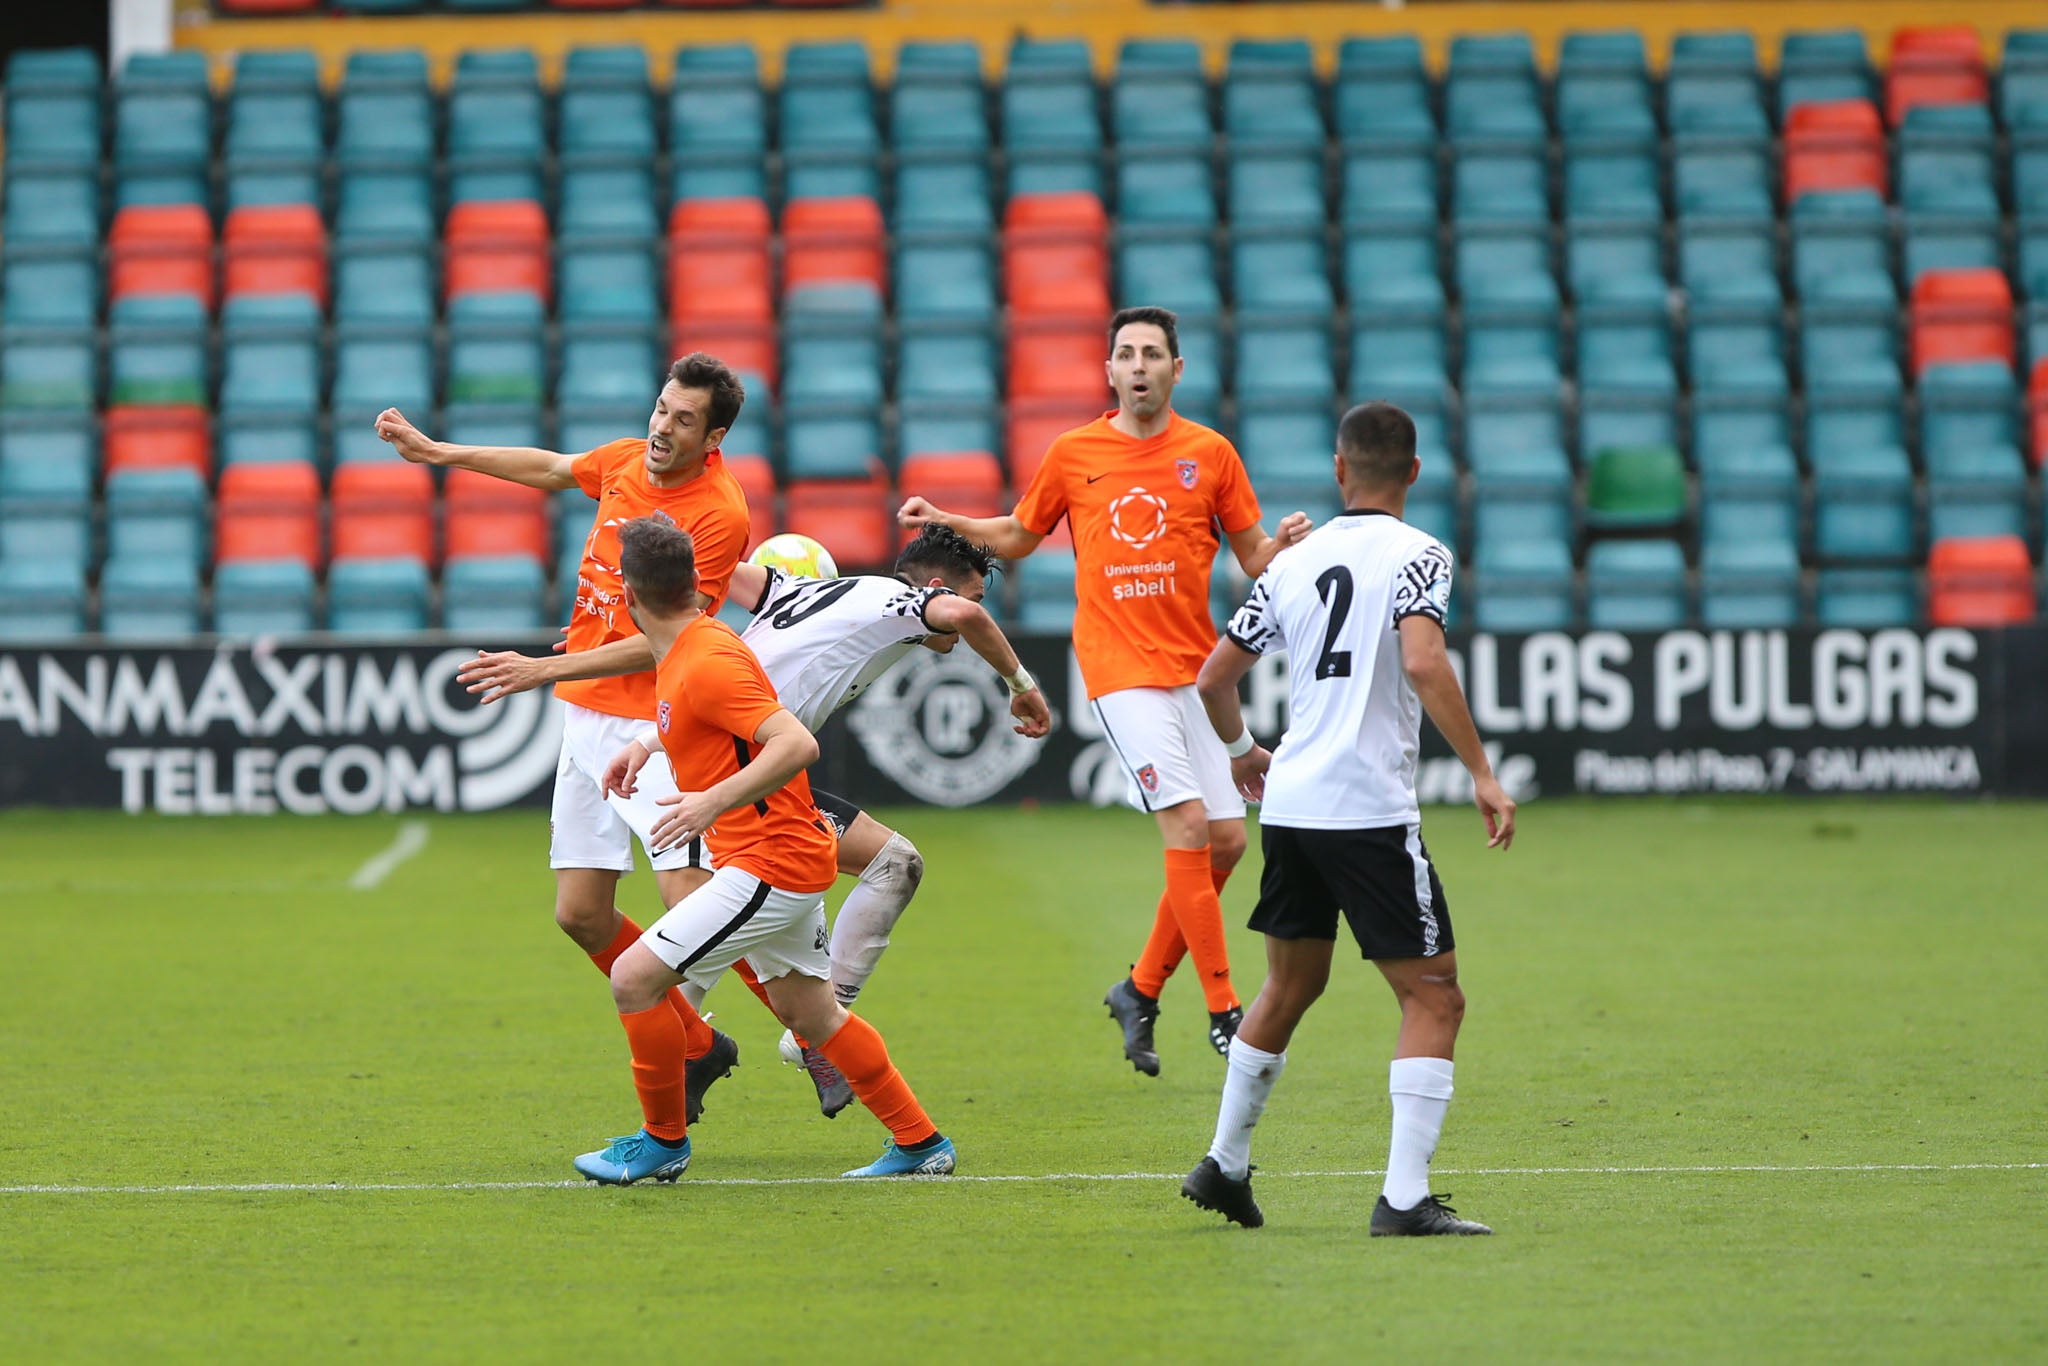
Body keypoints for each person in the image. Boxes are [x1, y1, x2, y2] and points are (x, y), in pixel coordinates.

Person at [455, 524, 1054, 1115]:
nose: (978, 612)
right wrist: (1020, 686)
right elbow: (967, 620)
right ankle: (717, 1059)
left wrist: (611, 639)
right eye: (973, 594)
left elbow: (705, 584)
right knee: (691, 926)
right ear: (937, 586)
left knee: (814, 896)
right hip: (742, 777)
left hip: (712, 751)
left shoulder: (797, 591)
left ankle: (778, 1050)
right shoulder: (907, 604)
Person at [899, 305, 1310, 1075]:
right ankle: (1225, 1008)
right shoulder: (1075, 452)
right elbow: (1021, 535)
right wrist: (947, 515)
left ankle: (1140, 988)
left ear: (1176, 370)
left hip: (1196, 669)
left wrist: (1282, 548)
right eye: (1128, 353)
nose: (1141, 365)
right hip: (1119, 667)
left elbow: (1253, 555)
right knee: (1188, 829)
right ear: (1111, 370)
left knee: (1226, 842)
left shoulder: (1210, 454)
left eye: (1155, 353)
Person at [373, 353, 752, 1122]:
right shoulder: (621, 462)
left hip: (655, 724)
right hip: (586, 717)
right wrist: (441, 453)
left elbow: (670, 641)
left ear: (712, 437)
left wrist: (548, 667)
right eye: (660, 408)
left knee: (693, 895)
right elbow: (550, 467)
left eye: (683, 420)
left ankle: (813, 1026)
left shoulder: (720, 513)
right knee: (580, 913)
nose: (662, 427)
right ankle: (699, 1046)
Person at [1177, 401, 1515, 1235]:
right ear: (1415, 472)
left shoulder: (1293, 561)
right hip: (1366, 811)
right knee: (1435, 996)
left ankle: (1224, 1163)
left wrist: (1246, 753)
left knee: (1290, 984)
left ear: (1338, 471)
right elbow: (1423, 658)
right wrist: (1481, 771)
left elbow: (1213, 678)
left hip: (1290, 805)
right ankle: (1404, 1200)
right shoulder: (1420, 555)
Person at [573, 516, 954, 1184]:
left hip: (768, 864)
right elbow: (717, 718)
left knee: (633, 977)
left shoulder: (707, 657)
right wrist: (644, 747)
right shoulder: (691, 647)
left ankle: (663, 1142)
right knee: (813, 1014)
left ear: (629, 596)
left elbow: (796, 744)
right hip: (774, 856)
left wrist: (710, 802)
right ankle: (922, 1144)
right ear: (693, 586)